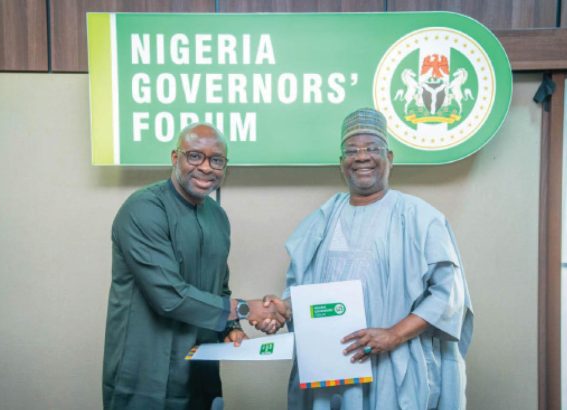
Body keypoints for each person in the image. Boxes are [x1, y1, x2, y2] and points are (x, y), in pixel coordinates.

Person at [261, 108, 473, 409]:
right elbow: (302, 292)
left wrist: (394, 335)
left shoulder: (421, 218)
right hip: (333, 368)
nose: (361, 157)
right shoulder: (321, 221)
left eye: (372, 148)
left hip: (396, 364)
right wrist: (284, 308)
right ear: (341, 163)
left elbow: (448, 296)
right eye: (352, 151)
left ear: (390, 158)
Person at [102, 123, 284, 410]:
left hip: (199, 372)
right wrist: (246, 309)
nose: (206, 167)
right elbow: (169, 296)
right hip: (146, 376)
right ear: (175, 158)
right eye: (195, 156)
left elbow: (218, 286)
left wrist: (230, 327)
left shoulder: (217, 217)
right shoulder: (144, 209)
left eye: (217, 160)